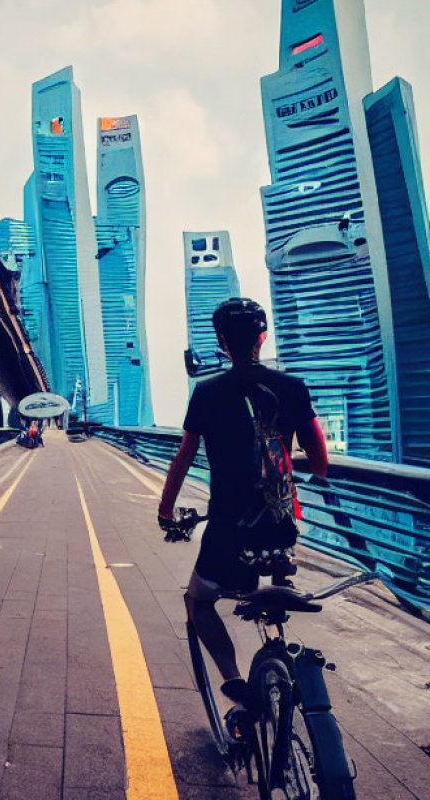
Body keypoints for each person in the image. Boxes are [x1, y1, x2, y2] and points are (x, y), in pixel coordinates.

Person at [157, 297, 329, 723]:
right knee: (268, 592)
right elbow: (321, 464)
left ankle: (236, 684)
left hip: (229, 531)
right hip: (281, 527)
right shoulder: (292, 387)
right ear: (262, 336)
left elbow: (183, 457)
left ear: (221, 342)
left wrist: (166, 510)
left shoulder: (207, 392)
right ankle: (276, 657)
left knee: (198, 602)